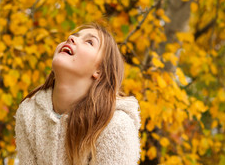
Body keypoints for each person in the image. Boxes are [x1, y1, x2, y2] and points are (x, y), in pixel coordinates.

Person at [14, 23, 140, 165]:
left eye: (89, 42)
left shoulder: (115, 125)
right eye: (74, 35)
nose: (71, 38)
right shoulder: (29, 113)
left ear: (100, 71)